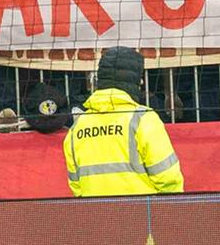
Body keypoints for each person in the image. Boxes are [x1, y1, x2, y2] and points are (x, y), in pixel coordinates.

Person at [62, 46, 185, 197]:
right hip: (143, 214)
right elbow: (168, 178)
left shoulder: (78, 126)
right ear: (137, 80)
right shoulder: (143, 119)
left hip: (96, 215)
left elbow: (76, 186)